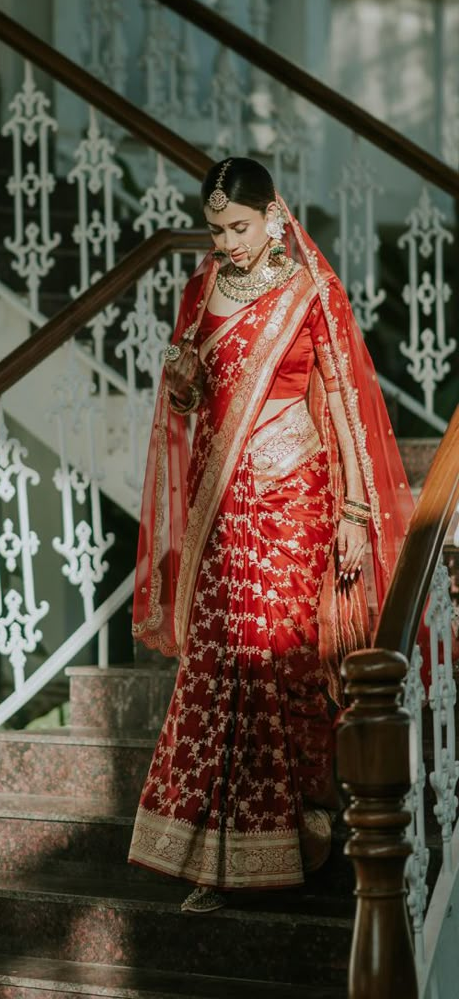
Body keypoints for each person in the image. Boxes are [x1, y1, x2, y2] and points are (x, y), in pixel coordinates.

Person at [127, 157, 414, 912]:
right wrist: (182, 375)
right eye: (218, 230)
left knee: (281, 669)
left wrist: (356, 514)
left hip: (296, 502)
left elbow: (347, 398)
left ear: (272, 215)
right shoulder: (202, 289)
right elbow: (189, 401)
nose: (230, 244)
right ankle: (216, 861)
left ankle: (306, 828)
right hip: (222, 511)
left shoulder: (305, 290)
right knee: (219, 671)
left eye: (241, 227)